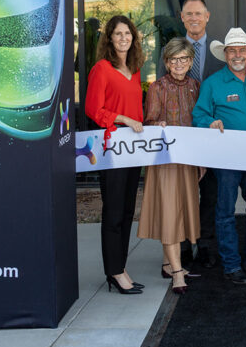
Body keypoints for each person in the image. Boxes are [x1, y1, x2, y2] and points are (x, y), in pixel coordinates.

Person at [193, 28, 246, 285]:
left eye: (242, 50)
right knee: (225, 211)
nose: (238, 55)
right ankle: (232, 265)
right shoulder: (212, 83)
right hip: (226, 159)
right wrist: (210, 122)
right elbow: (199, 116)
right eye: (232, 51)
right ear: (225, 54)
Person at [85, 15, 146, 295]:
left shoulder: (135, 70)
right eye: (118, 34)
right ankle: (114, 271)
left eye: (127, 33)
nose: (123, 38)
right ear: (109, 38)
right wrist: (122, 118)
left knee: (127, 210)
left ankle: (120, 267)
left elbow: (138, 109)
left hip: (133, 150)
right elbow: (93, 110)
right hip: (111, 149)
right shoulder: (102, 69)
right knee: (113, 211)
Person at [138, 38, 203, 295]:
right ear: (166, 62)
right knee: (169, 214)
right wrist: (158, 125)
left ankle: (168, 263)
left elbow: (199, 123)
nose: (179, 64)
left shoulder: (195, 86)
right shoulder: (157, 87)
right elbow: (149, 121)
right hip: (164, 160)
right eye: (174, 59)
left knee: (181, 213)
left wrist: (200, 162)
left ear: (190, 61)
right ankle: (177, 272)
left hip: (187, 160)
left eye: (184, 59)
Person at [165, 0, 221, 269]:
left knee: (211, 194)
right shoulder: (172, 49)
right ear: (182, 17)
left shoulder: (220, 51)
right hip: (181, 136)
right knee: (183, 196)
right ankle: (185, 247)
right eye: (189, 14)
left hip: (210, 135)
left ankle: (207, 245)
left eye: (199, 13)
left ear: (207, 16)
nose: (194, 18)